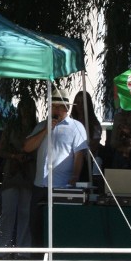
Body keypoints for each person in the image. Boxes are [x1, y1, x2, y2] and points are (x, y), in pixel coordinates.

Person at [22, 88, 88, 247]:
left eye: (59, 106)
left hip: (62, 187)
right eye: (53, 106)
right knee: (36, 225)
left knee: (58, 227)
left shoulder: (76, 127)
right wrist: (47, 129)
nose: (55, 109)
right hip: (40, 185)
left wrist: (75, 175)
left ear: (67, 108)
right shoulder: (42, 126)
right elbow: (27, 147)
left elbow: (79, 154)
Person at [0, 96, 38, 253]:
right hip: (12, 173)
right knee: (8, 212)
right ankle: (1, 250)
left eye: (28, 107)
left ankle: (23, 251)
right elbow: (1, 150)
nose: (25, 111)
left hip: (29, 173)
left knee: (26, 213)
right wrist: (15, 156)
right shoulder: (12, 126)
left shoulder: (37, 127)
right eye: (23, 107)